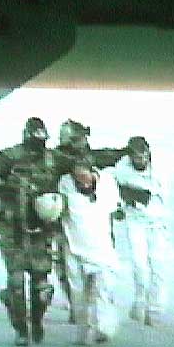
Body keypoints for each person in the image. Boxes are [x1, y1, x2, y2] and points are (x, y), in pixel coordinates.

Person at [0, 117, 59, 346]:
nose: (38, 145)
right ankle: (21, 329)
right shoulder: (9, 156)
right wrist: (4, 185)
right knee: (16, 283)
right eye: (34, 139)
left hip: (41, 230)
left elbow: (82, 164)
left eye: (41, 140)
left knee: (41, 285)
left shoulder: (53, 159)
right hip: (13, 229)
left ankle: (37, 321)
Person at [52, 119, 128, 323]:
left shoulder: (88, 156)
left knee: (103, 261)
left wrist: (124, 151)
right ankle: (76, 305)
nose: (82, 141)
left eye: (83, 137)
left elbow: (105, 156)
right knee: (66, 265)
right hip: (66, 213)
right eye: (78, 138)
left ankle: (101, 304)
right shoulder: (56, 158)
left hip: (94, 216)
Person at [58, 159, 121, 345]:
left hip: (101, 248)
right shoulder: (65, 184)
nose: (82, 181)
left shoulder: (108, 182)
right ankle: (84, 331)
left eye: (84, 176)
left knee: (103, 289)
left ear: (92, 172)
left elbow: (116, 209)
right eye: (77, 177)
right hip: (74, 247)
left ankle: (103, 327)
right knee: (78, 293)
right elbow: (58, 209)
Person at [113, 136, 174, 325]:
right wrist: (122, 204)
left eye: (144, 155)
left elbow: (161, 195)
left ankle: (155, 308)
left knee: (159, 265)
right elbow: (115, 191)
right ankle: (139, 301)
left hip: (157, 223)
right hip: (135, 222)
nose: (141, 159)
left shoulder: (160, 169)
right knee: (139, 265)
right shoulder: (122, 170)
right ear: (130, 156)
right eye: (137, 156)